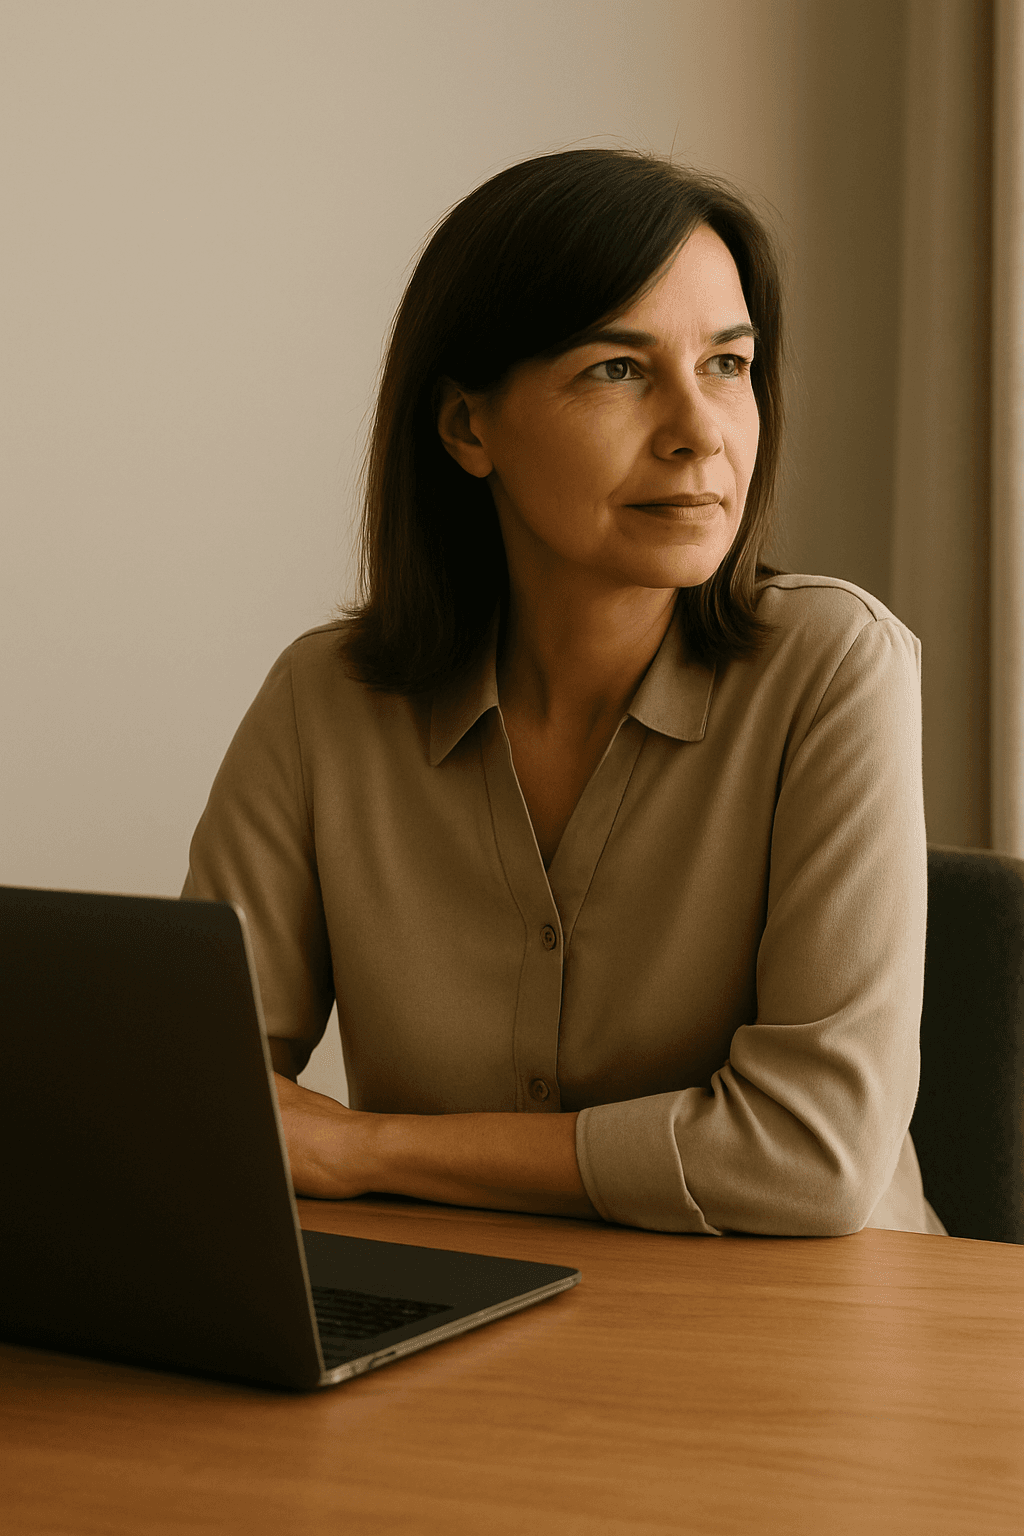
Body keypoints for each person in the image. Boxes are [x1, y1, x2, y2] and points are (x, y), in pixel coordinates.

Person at [183, 148, 945, 1237]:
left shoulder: (833, 663)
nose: (698, 430)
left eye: (727, 366)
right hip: (476, 1329)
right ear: (466, 428)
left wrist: (365, 1147)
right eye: (617, 370)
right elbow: (200, 1099)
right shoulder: (326, 701)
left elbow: (805, 1157)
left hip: (819, 1338)